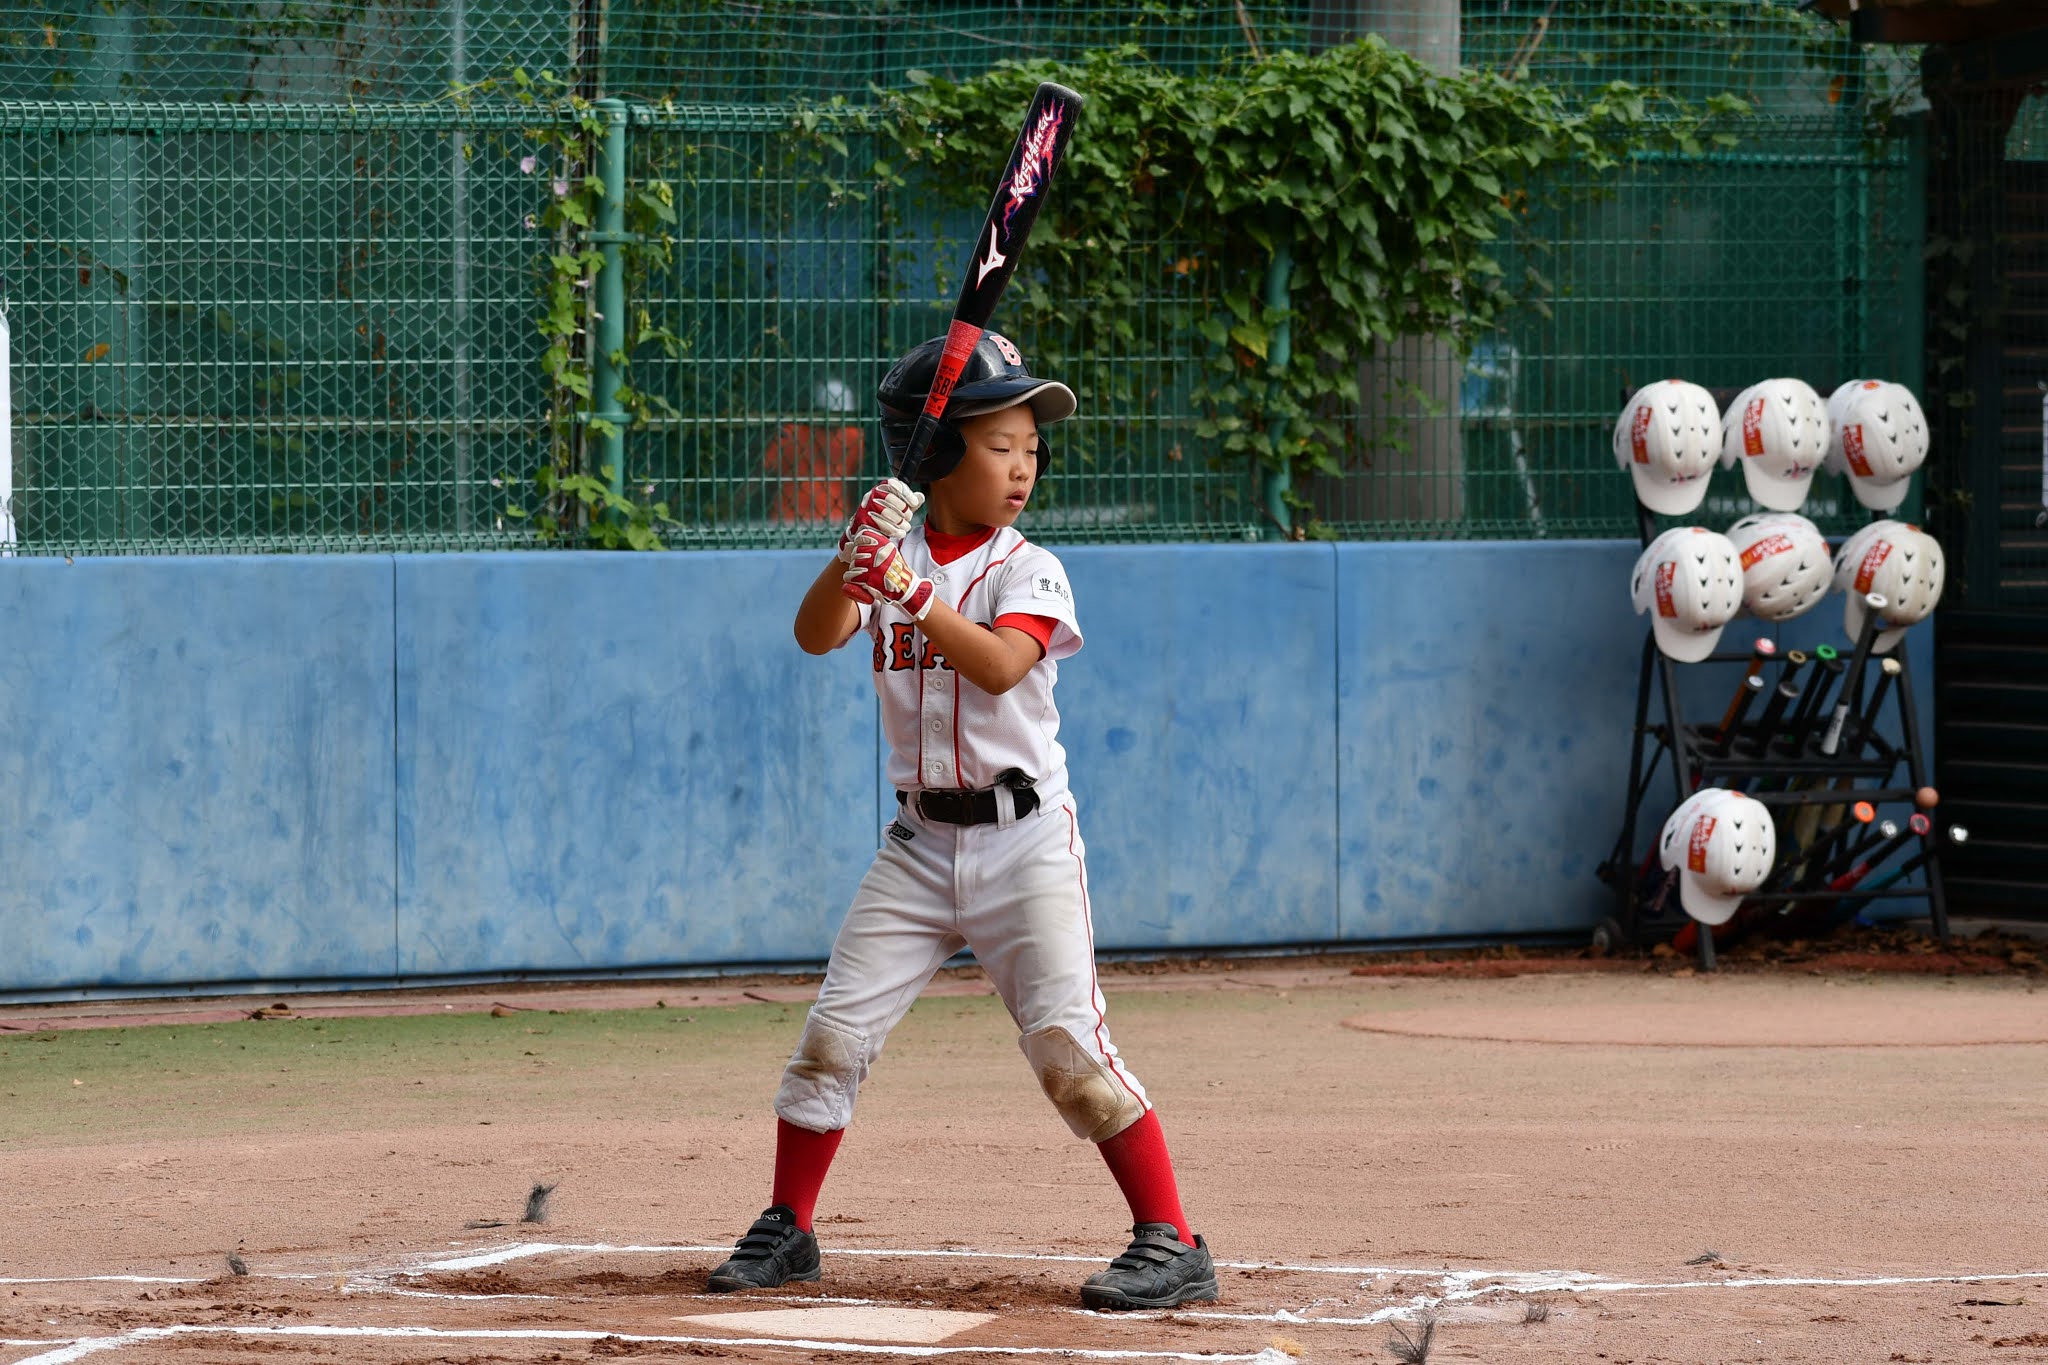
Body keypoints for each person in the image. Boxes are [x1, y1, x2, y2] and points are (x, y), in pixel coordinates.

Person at [704, 332, 1219, 1312]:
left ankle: (1169, 1239)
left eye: (1030, 445)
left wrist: (910, 591)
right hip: (917, 845)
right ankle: (789, 1227)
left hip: (1023, 840)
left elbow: (997, 666)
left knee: (1068, 1048)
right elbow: (816, 633)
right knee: (832, 1035)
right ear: (934, 454)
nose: (1023, 464)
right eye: (997, 443)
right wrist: (851, 557)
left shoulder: (1030, 568)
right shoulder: (893, 555)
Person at [762, 377, 866, 525]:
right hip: (798, 518)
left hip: (814, 518)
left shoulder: (792, 434)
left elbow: (763, 475)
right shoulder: (792, 434)